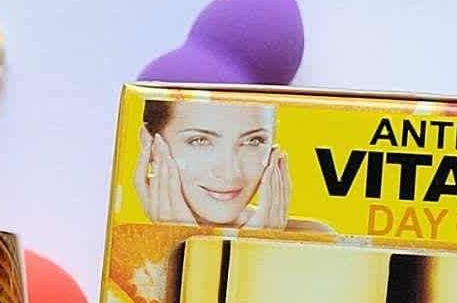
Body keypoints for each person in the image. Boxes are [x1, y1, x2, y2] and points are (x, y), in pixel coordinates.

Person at [135, 99, 328, 231]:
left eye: (254, 141)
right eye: (200, 140)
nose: (230, 173)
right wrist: (174, 243)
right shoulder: (122, 245)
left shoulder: (316, 240)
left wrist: (259, 249)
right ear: (149, 144)